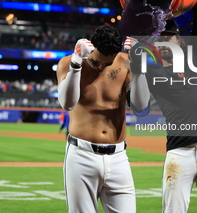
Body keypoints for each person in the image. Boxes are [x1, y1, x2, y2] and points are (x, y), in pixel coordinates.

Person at [127, 0, 197, 213]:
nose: (163, 44)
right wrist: (136, 59)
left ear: (179, 41)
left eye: (168, 38)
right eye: (159, 40)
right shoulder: (152, 72)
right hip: (179, 153)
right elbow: (139, 105)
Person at [56, 24, 149, 213]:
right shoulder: (68, 63)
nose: (100, 67)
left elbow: (141, 107)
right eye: (97, 61)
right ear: (91, 46)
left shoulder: (126, 63)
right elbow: (67, 104)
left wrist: (140, 67)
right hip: (81, 156)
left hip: (118, 157)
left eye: (107, 64)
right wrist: (76, 64)